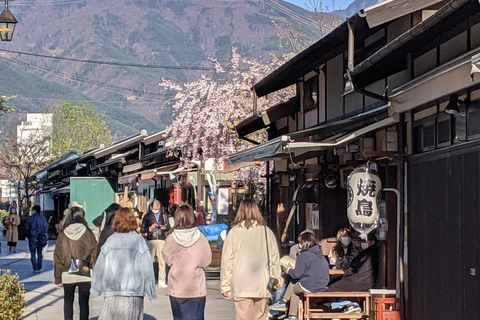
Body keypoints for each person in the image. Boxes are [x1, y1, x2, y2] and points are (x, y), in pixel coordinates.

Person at [220, 200, 283, 320]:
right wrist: (277, 278)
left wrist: (226, 285)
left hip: (241, 284)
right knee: (260, 316)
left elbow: (227, 261)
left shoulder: (234, 233)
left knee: (243, 317)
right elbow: (274, 258)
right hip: (261, 283)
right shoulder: (266, 232)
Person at [91, 207, 157, 320]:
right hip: (134, 292)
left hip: (113, 292)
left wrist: (96, 288)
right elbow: (147, 268)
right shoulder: (139, 241)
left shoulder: (110, 241)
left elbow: (100, 267)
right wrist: (150, 291)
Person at [162, 204, 212, 320]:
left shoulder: (171, 238)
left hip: (177, 288)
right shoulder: (200, 237)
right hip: (196, 288)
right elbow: (207, 259)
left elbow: (167, 257)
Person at [54, 206, 97, 320]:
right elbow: (94, 253)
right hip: (85, 272)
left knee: (68, 301)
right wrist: (94, 270)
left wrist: (58, 278)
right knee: (84, 303)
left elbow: (57, 257)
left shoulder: (63, 234)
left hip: (67, 272)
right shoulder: (88, 233)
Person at [281, 232, 330, 319]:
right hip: (322, 286)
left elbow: (297, 274)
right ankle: (289, 310)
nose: (299, 245)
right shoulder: (321, 256)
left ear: (305, 243)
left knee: (294, 286)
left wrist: (289, 270)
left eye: (300, 242)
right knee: (295, 289)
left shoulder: (304, 255)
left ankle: (285, 304)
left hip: (308, 286)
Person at [141, 199, 170, 288]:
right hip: (151, 239)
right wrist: (150, 228)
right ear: (151, 206)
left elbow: (169, 226)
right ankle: (149, 280)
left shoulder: (164, 215)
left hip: (161, 238)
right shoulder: (147, 216)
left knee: (162, 260)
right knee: (149, 261)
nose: (157, 207)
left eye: (158, 205)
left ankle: (162, 279)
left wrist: (165, 228)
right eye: (155, 205)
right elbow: (142, 229)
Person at [25, 205, 49, 272]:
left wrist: (27, 235)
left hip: (32, 237)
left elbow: (27, 228)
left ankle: (35, 268)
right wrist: (46, 237)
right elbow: (46, 228)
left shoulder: (30, 218)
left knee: (33, 253)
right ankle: (40, 267)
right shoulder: (43, 218)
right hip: (41, 237)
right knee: (39, 253)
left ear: (34, 210)